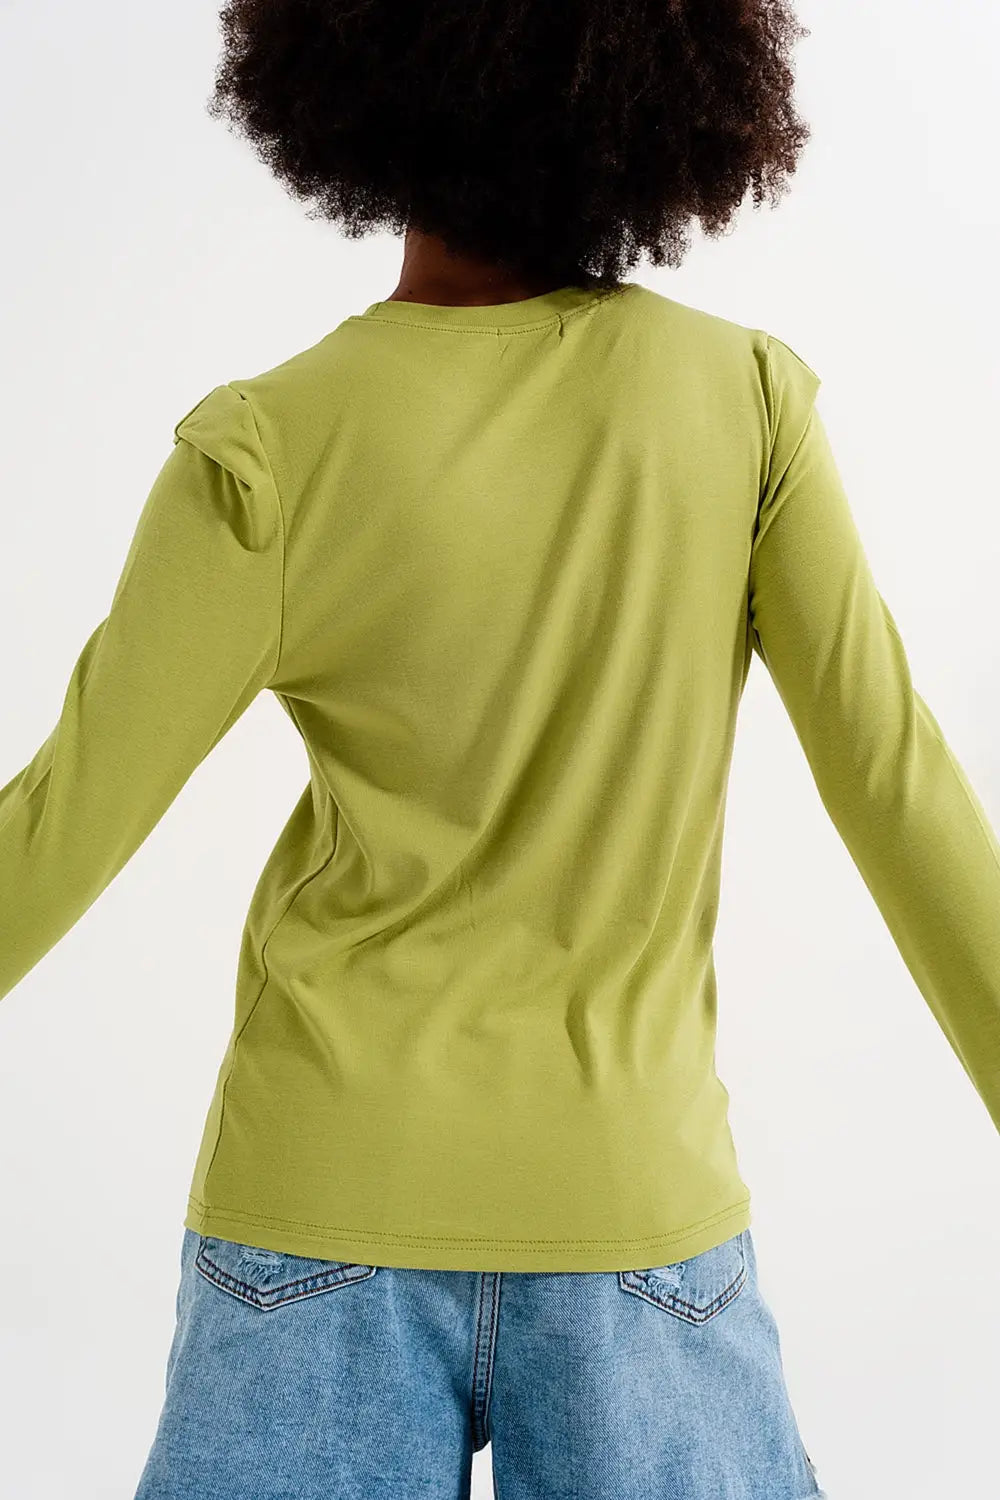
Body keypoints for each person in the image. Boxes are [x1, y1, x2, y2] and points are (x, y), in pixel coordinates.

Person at [2, 2, 997, 1497]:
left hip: (319, 1206)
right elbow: (899, 786)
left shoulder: (270, 444)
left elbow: (54, 826)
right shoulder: (744, 404)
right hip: (634, 1212)